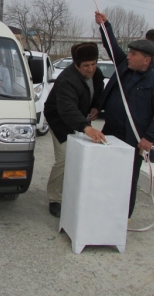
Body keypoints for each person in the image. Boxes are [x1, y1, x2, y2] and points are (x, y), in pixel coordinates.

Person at [96, 12, 154, 219]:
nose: (128, 56)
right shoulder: (124, 66)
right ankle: (103, 210)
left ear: (146, 60)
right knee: (105, 173)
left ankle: (122, 217)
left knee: (127, 178)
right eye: (129, 53)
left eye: (133, 54)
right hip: (110, 132)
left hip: (133, 139)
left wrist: (148, 138)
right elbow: (111, 46)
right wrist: (105, 25)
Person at [43, 42, 107, 218]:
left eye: (94, 64)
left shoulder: (97, 74)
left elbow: (99, 91)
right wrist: (86, 127)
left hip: (80, 119)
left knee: (83, 156)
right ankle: (55, 198)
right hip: (60, 120)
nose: (91, 69)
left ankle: (75, 192)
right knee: (64, 158)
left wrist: (96, 107)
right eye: (86, 65)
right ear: (76, 65)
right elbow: (67, 109)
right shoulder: (66, 80)